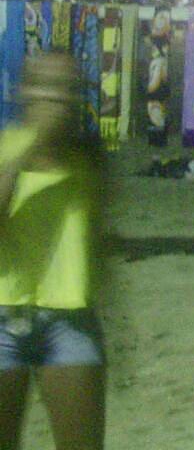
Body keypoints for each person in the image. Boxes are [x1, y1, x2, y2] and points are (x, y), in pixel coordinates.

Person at [0, 53, 107, 450]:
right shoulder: (5, 148)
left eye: (66, 88)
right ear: (24, 92)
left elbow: (98, 241)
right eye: (46, 86)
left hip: (71, 322)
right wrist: (25, 154)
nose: (56, 98)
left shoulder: (90, 156)